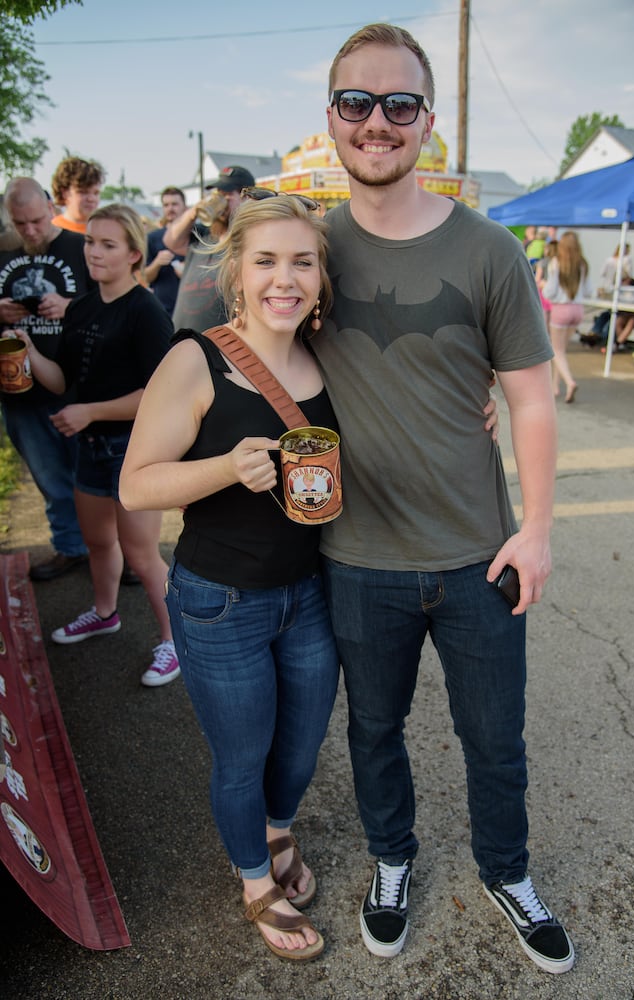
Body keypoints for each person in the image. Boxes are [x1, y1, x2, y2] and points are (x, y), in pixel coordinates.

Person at [311, 23, 574, 974]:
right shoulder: (305, 249)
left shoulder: (491, 249)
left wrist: (537, 529)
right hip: (354, 558)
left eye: (399, 104)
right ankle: (392, 860)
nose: (377, 123)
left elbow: (532, 397)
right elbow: (230, 350)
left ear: (428, 121)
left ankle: (508, 869)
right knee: (373, 730)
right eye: (357, 102)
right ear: (331, 115)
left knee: (493, 738)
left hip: (478, 554)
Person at [119, 194, 340, 959]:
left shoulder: (328, 353)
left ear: (321, 275)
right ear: (237, 271)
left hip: (310, 594)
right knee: (242, 756)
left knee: (302, 748)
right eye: (268, 261)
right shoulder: (197, 357)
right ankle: (255, 882)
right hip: (220, 602)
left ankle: (279, 831)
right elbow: (136, 486)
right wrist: (225, 466)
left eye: (302, 261)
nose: (286, 278)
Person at [13, 204, 180, 687]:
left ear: (133, 254)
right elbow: (64, 377)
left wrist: (90, 411)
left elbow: (160, 395)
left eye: (108, 245)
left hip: (135, 448)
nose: (94, 252)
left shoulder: (145, 310)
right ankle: (104, 613)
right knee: (99, 543)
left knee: (143, 554)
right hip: (91, 448)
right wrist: (27, 350)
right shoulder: (82, 306)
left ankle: (175, 641)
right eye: (90, 242)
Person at [0, 178, 91, 580]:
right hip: (20, 389)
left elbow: (114, 303)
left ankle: (116, 552)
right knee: (50, 480)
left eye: (37, 220)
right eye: (21, 225)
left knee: (96, 481)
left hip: (80, 386)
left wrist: (71, 306)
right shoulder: (3, 252)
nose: (31, 231)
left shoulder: (81, 247)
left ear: (51, 205)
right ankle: (71, 547)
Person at [166, 166, 255, 332]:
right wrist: (195, 211)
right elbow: (171, 240)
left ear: (247, 198)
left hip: (219, 349)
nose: (220, 198)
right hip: (181, 343)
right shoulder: (203, 236)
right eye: (218, 193)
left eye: (227, 193)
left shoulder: (250, 241)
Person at [543, 231, 592, 402]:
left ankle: (569, 382)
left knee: (556, 351)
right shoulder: (583, 264)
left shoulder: (557, 263)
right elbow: (588, 290)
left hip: (561, 309)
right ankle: (554, 387)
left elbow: (550, 291)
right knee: (561, 351)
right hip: (577, 310)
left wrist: (544, 288)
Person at [144, 186, 188, 316]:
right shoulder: (152, 238)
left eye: (175, 204)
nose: (170, 208)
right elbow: (145, 277)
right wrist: (157, 263)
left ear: (184, 207)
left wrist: (190, 271)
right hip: (163, 310)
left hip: (192, 310)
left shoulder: (197, 235)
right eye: (166, 205)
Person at [51, 156, 105, 234]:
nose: (91, 199)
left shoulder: (106, 231)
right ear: (65, 193)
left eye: (96, 193)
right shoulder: (53, 231)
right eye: (83, 192)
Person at [535, 239, 558, 329]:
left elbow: (537, 279)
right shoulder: (560, 263)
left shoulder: (542, 263)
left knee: (544, 318)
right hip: (555, 294)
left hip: (543, 292)